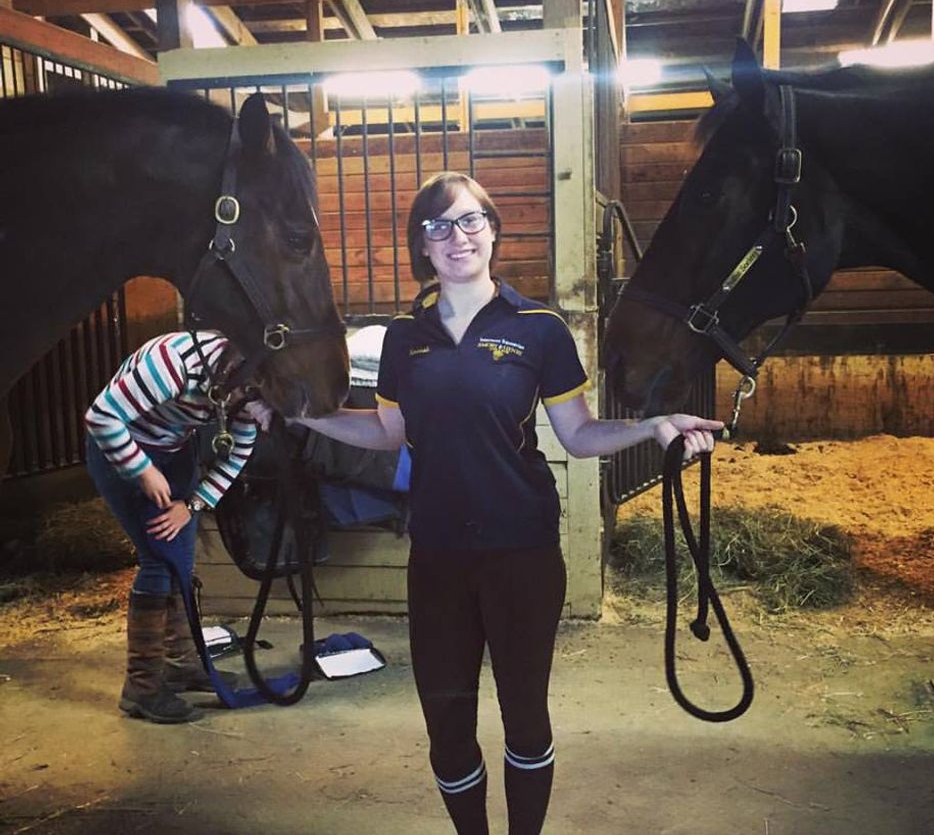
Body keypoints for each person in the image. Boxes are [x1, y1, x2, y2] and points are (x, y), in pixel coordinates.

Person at [249, 172, 722, 834]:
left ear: (494, 231)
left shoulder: (540, 330)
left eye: (471, 220)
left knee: (524, 717)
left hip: (521, 553)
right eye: (438, 225)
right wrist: (300, 415)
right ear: (422, 244)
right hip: (438, 556)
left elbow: (579, 435)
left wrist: (654, 426)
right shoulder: (403, 338)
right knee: (447, 726)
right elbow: (388, 431)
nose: (457, 236)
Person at [85, 329, 257, 724]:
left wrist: (193, 504)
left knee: (181, 559)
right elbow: (101, 416)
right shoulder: (174, 364)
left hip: (174, 448)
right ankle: (141, 686)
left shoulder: (251, 389)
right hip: (120, 444)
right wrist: (142, 471)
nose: (257, 413)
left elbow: (240, 449)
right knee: (158, 561)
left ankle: (181, 663)